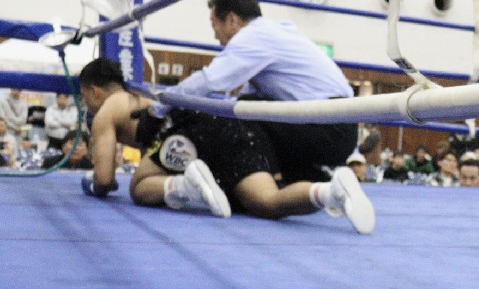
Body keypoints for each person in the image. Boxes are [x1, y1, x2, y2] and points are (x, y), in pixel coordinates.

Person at [78, 58, 374, 232]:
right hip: (233, 123)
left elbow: (104, 180)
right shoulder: (140, 93)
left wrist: (92, 184)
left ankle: (186, 185)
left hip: (195, 134)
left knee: (139, 187)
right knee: (265, 202)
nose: (85, 103)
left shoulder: (106, 112)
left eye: (83, 96)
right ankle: (330, 192)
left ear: (94, 92)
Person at [155, 0, 362, 188]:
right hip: (334, 125)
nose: (215, 35)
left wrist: (158, 108)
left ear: (232, 20)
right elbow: (241, 96)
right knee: (243, 110)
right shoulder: (271, 34)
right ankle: (317, 182)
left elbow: (209, 81)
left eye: (214, 24)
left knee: (245, 113)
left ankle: (271, 182)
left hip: (330, 128)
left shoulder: (254, 37)